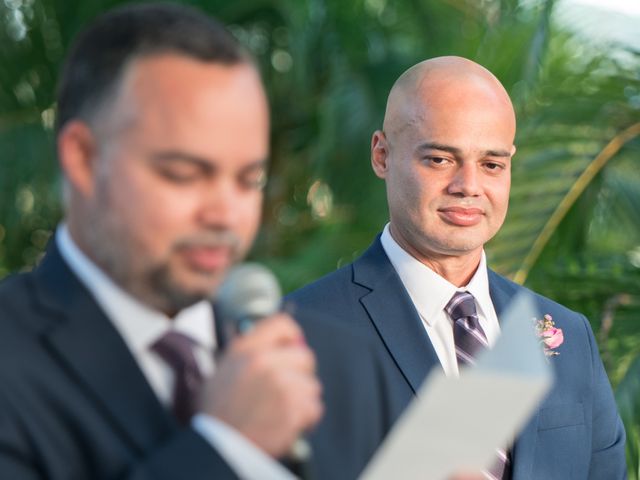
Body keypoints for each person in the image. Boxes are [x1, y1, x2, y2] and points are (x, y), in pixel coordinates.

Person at [0, 4, 396, 479]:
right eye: (185, 175)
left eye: (248, 180)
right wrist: (226, 449)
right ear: (84, 159)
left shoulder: (339, 364)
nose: (226, 214)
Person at [288, 56, 627, 479]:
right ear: (382, 155)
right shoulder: (300, 333)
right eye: (440, 159)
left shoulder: (570, 336)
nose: (468, 186)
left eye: (491, 164)